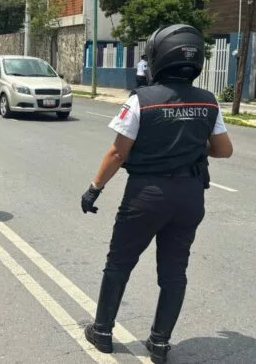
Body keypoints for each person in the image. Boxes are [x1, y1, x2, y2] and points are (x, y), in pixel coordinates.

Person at [80, 24, 233, 364]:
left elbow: (118, 154)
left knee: (119, 262)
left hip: (146, 195)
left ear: (158, 58)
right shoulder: (209, 103)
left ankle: (102, 332)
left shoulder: (141, 101)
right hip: (190, 197)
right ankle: (160, 343)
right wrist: (190, 142)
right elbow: (223, 150)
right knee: (174, 272)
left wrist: (94, 189)